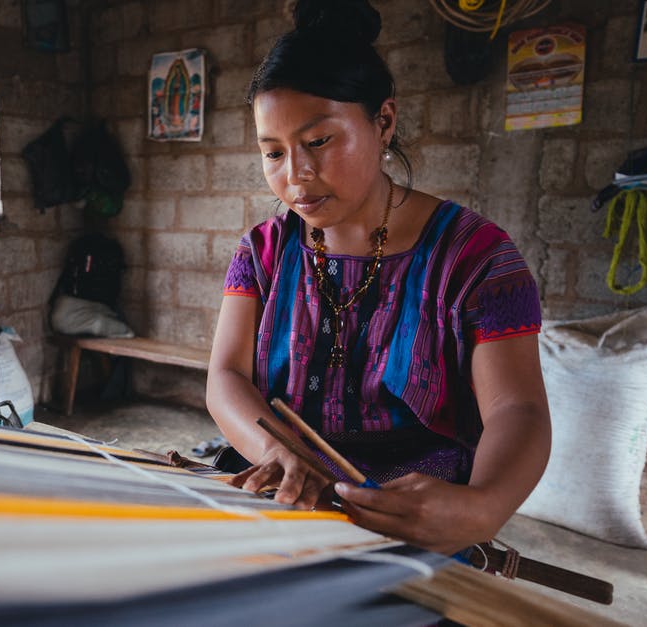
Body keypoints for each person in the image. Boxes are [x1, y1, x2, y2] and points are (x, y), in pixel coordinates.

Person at [205, 0, 551, 556]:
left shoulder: (476, 257)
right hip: (286, 500)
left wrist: (483, 506)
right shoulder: (263, 251)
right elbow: (225, 375)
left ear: (383, 121)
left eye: (318, 142)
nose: (295, 177)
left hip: (412, 517)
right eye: (273, 153)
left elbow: (519, 410)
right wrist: (275, 451)